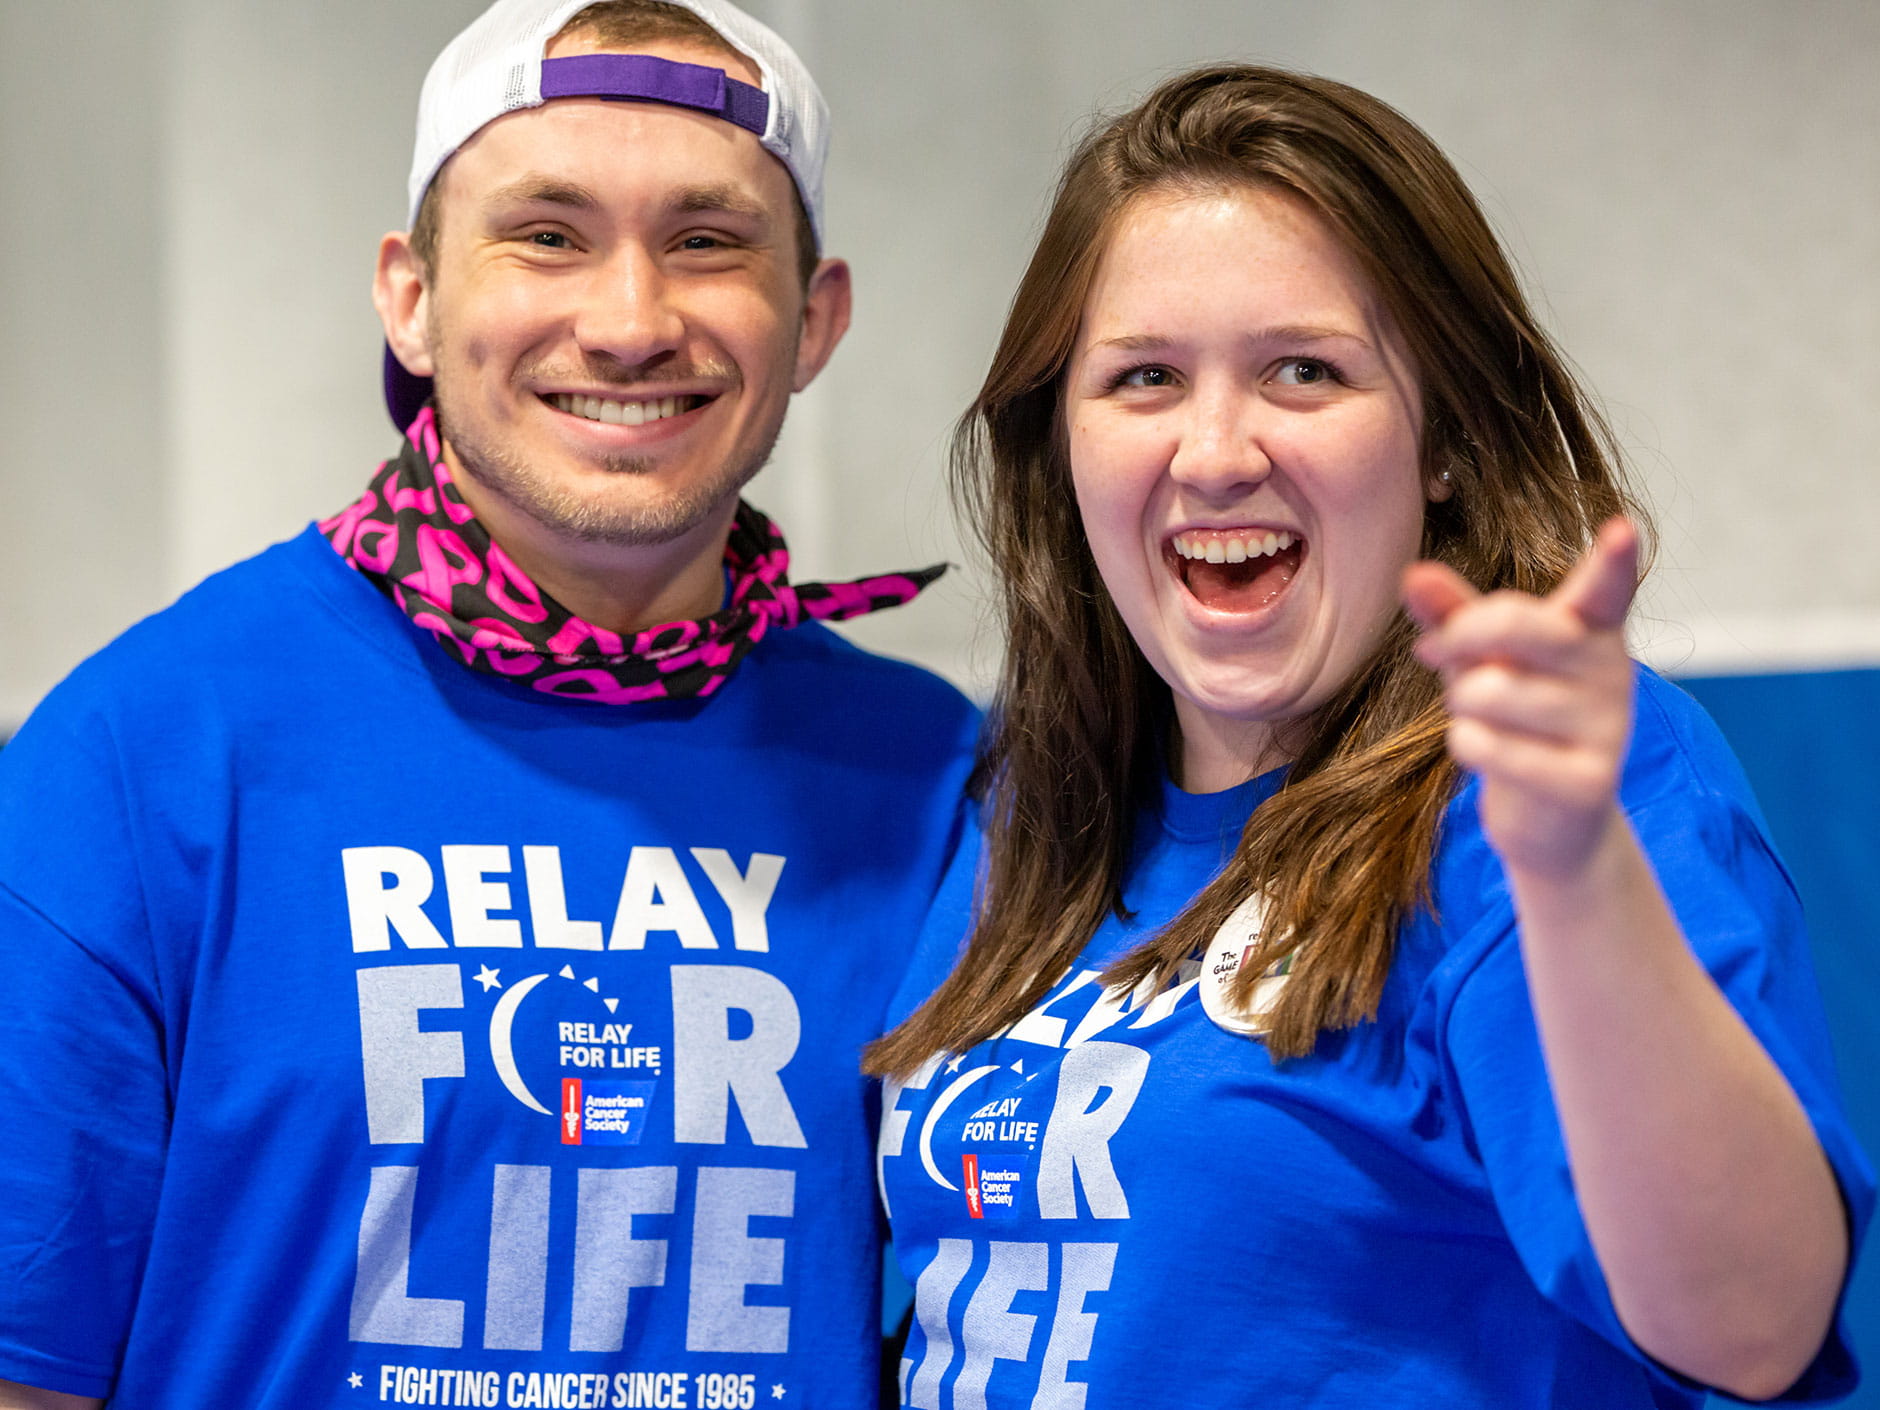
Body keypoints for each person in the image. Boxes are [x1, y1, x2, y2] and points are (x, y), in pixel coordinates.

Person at [0, 1, 976, 1406]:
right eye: (547, 235)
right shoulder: (144, 757)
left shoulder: (940, 786)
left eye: (708, 241)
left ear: (814, 319)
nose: (630, 323)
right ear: (411, 297)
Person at [869, 64, 1871, 1408]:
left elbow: (1750, 1324)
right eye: (1145, 377)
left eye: (1305, 370)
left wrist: (1576, 875)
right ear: (1062, 443)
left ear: (1443, 438)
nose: (1214, 452)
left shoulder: (1545, 790)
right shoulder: (1023, 812)